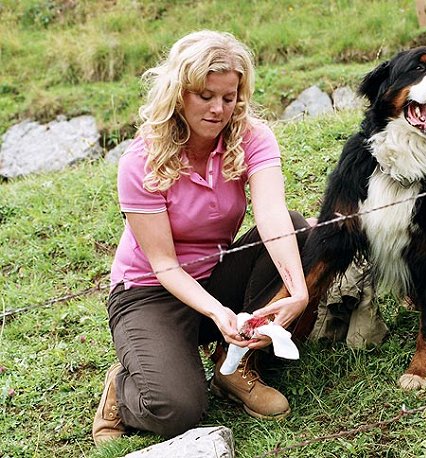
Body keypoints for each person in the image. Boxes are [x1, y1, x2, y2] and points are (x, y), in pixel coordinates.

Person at [92, 30, 310, 444]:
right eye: (206, 96)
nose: (219, 109)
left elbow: (272, 215)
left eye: (229, 97)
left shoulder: (251, 136)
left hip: (216, 273)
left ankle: (234, 364)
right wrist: (216, 312)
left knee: (297, 228)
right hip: (150, 291)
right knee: (177, 410)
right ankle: (123, 389)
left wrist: (297, 291)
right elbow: (164, 265)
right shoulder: (140, 161)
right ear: (180, 93)